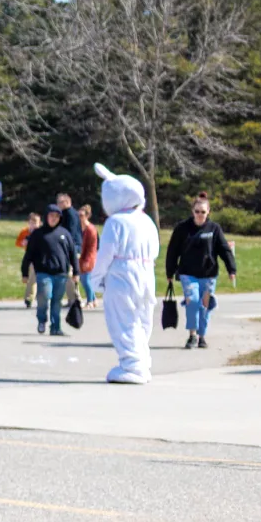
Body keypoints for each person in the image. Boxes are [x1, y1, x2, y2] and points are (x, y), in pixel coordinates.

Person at [88, 164, 160, 384]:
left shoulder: (116, 222)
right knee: (141, 317)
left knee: (123, 319)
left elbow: (105, 254)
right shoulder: (146, 220)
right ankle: (142, 361)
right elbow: (156, 249)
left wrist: (96, 279)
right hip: (147, 273)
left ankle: (132, 364)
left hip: (122, 275)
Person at [165, 191, 237, 350]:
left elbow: (224, 250)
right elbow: (172, 250)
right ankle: (192, 335)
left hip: (209, 275)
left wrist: (232, 269)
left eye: (203, 212)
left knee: (205, 305)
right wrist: (170, 272)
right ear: (192, 211)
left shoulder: (214, 229)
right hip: (188, 274)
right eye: (197, 212)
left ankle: (202, 336)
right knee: (193, 301)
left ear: (208, 212)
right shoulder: (182, 228)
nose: (199, 215)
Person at [21, 205, 78, 337]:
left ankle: (55, 327)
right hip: (43, 272)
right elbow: (28, 255)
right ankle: (42, 319)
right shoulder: (38, 234)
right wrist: (25, 273)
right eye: (51, 216)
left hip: (61, 274)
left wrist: (76, 272)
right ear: (46, 217)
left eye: (57, 216)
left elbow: (72, 254)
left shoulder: (65, 234)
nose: (54, 218)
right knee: (44, 297)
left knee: (56, 302)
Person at [16, 212, 40, 308]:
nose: (33, 225)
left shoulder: (41, 232)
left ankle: (33, 297)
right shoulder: (24, 232)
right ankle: (29, 298)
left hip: (39, 256)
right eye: (31, 223)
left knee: (37, 278)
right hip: (29, 256)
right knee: (30, 277)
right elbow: (17, 242)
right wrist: (22, 243)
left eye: (35, 223)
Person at [78, 204, 99, 309]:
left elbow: (91, 247)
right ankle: (94, 299)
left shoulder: (90, 229)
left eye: (82, 215)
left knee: (86, 280)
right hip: (82, 257)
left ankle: (90, 301)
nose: (80, 218)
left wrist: (87, 260)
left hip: (89, 258)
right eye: (79, 215)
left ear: (87, 216)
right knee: (84, 280)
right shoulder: (81, 228)